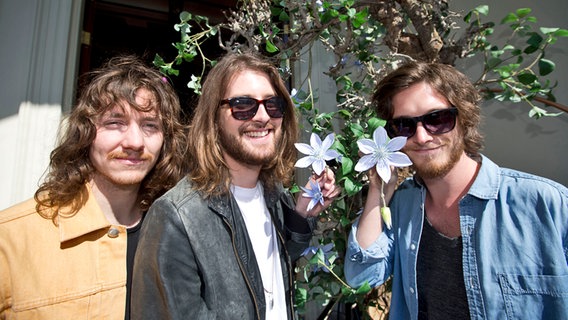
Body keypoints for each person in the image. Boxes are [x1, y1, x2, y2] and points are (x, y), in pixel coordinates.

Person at [344, 61, 568, 320]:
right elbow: (362, 275)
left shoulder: (547, 205)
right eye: (404, 126)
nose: (422, 137)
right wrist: (378, 189)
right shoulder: (401, 205)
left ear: (465, 119)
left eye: (437, 119)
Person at [131, 52, 339, 320]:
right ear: (214, 118)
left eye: (273, 105)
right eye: (243, 105)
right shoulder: (176, 216)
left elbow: (261, 275)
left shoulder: (274, 195)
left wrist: (300, 217)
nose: (263, 116)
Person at [0, 56, 187, 319]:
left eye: (150, 126)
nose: (134, 141)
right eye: (115, 122)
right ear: (85, 133)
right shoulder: (11, 239)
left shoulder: (179, 236)